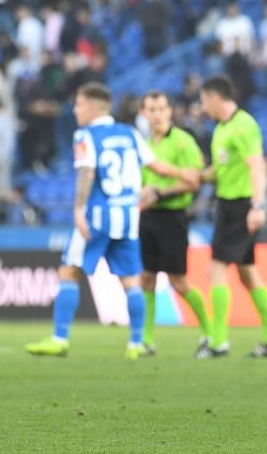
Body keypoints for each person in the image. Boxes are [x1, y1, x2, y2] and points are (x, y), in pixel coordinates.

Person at [25, 84, 199, 359]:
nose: (75, 110)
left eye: (79, 105)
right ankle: (136, 343)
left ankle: (59, 338)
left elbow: (87, 173)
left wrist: (79, 209)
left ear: (93, 108)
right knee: (131, 281)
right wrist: (184, 174)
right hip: (128, 218)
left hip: (97, 216)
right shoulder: (129, 133)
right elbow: (156, 165)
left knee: (69, 271)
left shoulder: (85, 135)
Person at [198, 75, 267, 359]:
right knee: (248, 273)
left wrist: (258, 206)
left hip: (240, 206)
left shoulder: (243, 124)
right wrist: (196, 177)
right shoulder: (221, 129)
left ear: (214, 97)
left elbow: (257, 166)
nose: (202, 107)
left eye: (203, 101)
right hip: (230, 204)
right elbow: (220, 169)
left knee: (217, 268)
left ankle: (218, 342)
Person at [137, 91, 209, 357]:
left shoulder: (183, 142)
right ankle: (145, 340)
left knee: (178, 281)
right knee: (147, 277)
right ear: (144, 113)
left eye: (161, 109)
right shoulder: (144, 144)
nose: (156, 114)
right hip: (148, 217)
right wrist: (144, 192)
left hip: (173, 217)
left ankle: (209, 334)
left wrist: (160, 192)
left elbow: (194, 180)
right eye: (151, 109)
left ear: (170, 112)